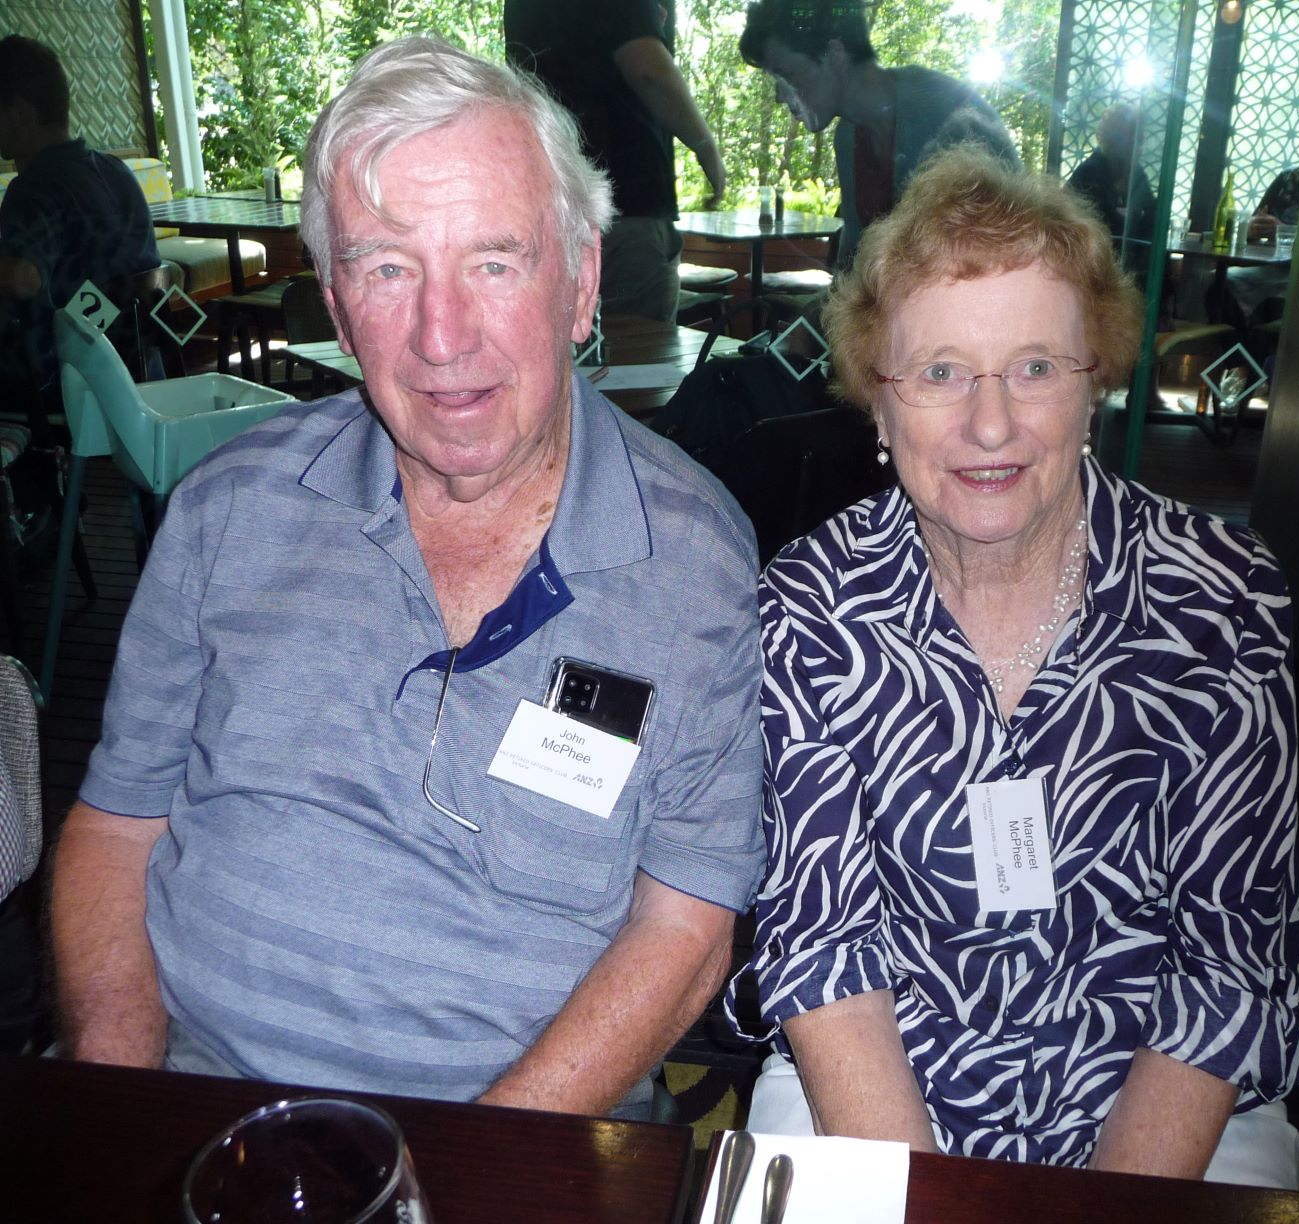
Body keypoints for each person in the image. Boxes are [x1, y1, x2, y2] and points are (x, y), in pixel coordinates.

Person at [50, 35, 765, 1122]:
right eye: (388, 268)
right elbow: (116, 823)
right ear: (338, 308)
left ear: (580, 285)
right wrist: (120, 1103)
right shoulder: (223, 509)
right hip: (202, 1107)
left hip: (522, 1139)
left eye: (494, 261)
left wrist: (464, 1171)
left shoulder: (695, 561)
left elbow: (687, 925)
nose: (441, 337)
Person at [728, 147, 1299, 1183]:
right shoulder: (811, 606)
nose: (989, 424)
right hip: (871, 1078)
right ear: (879, 399)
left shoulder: (1219, 598)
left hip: (1159, 1091)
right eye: (940, 372)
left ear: (1096, 383)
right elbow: (825, 951)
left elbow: (1229, 963)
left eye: (1035, 367)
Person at [739, 0, 1017, 267]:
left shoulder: (951, 114)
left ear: (834, 53)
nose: (779, 96)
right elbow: (855, 260)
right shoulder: (847, 138)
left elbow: (997, 248)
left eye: (787, 74)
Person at [506, 0, 726, 321]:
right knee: (640, 343)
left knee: (565, 337)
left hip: (550, 199)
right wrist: (706, 148)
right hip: (625, 203)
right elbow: (647, 68)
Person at [0, 35, 159, 411]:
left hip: (65, 389)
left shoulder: (34, 189)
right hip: (141, 374)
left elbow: (24, 279)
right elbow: (148, 275)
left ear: (20, 114)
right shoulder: (116, 171)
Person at [1066, 102, 1155, 243]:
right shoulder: (1090, 173)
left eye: (1138, 138)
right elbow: (1104, 227)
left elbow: (1154, 219)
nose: (1138, 145)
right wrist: (1135, 215)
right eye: (1131, 138)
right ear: (1111, 139)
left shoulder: (1135, 172)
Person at [1227, 165, 1299, 325]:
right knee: (1216, 279)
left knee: (1228, 280)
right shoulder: (1290, 177)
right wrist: (1252, 229)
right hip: (1270, 266)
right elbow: (1256, 219)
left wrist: (1283, 230)